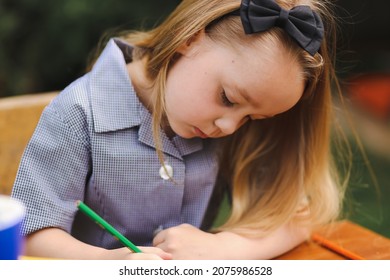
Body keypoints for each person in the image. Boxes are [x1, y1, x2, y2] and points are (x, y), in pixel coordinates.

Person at [11, 0, 346, 259]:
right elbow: (31, 233)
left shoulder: (231, 114)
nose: (229, 127)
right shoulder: (78, 113)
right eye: (227, 98)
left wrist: (228, 249)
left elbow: (300, 213)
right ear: (189, 39)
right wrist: (105, 263)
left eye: (251, 119)